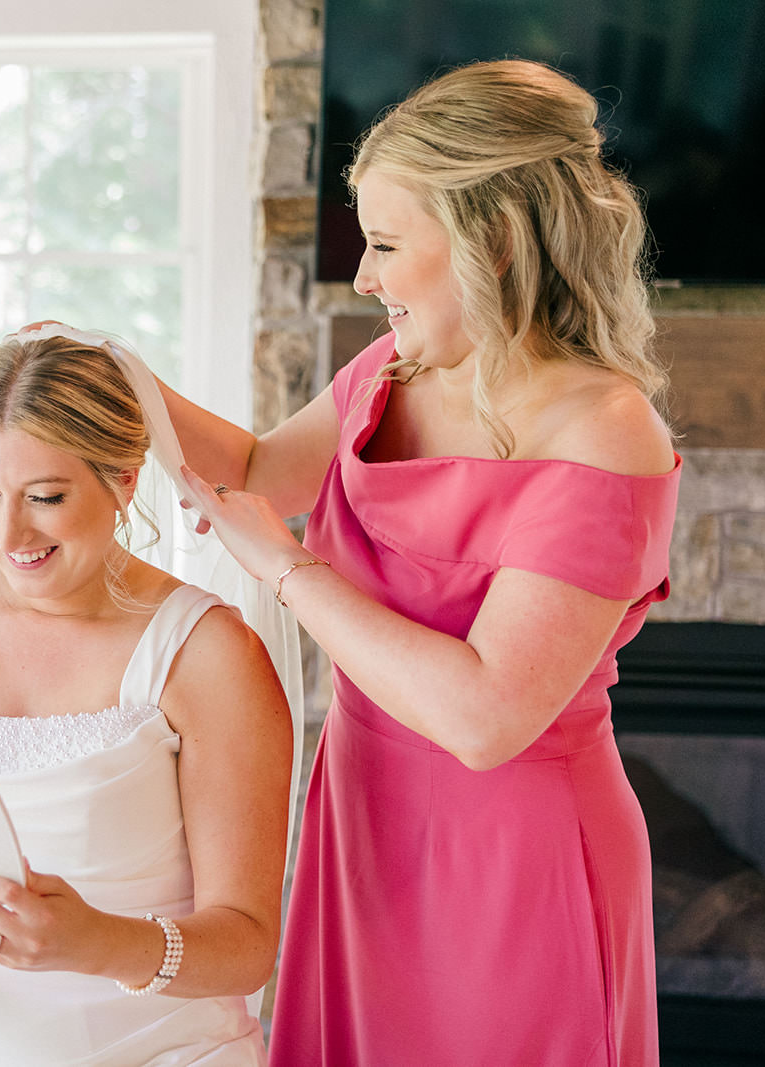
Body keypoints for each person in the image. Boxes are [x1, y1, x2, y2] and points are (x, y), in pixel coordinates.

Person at [166, 60, 681, 1064]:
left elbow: (485, 716)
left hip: (515, 854)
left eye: (388, 244)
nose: (363, 277)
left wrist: (286, 569)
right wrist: (119, 375)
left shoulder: (605, 430)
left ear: (491, 240)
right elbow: (264, 473)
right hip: (364, 810)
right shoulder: (391, 367)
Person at [0, 329, 296, 1066]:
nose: (7, 532)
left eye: (45, 496)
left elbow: (247, 945)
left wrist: (98, 942)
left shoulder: (207, 654)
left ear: (125, 478)